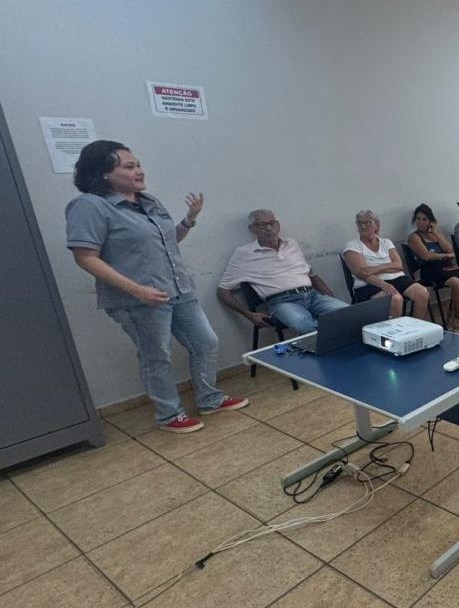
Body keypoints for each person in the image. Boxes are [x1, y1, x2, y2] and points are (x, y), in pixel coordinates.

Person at [66, 140, 247, 434]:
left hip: (178, 290)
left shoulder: (147, 201)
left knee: (205, 342)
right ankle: (168, 415)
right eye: (129, 166)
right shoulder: (89, 206)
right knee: (156, 356)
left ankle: (209, 399)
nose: (139, 171)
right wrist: (137, 290)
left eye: (138, 165)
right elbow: (85, 257)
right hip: (138, 300)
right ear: (104, 174)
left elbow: (168, 241)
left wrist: (189, 220)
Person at [217, 210, 349, 334]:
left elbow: (310, 273)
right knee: (305, 326)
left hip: (312, 296)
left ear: (278, 225)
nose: (269, 228)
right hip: (282, 303)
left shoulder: (291, 243)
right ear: (252, 229)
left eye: (272, 223)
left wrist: (328, 295)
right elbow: (223, 291)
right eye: (262, 225)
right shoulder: (244, 254)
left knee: (348, 314)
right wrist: (249, 315)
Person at [342, 210, 429, 319]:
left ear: (376, 225)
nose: (363, 226)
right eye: (359, 223)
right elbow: (362, 273)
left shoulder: (386, 242)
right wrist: (383, 283)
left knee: (422, 293)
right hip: (368, 284)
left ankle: (415, 329)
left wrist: (375, 268)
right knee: (395, 299)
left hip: (397, 278)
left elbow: (398, 265)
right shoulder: (352, 246)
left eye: (367, 222)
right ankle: (395, 335)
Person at [405, 204, 459, 329]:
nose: (421, 222)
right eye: (418, 219)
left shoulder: (435, 233)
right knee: (457, 283)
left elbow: (449, 248)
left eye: (424, 219)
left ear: (430, 221)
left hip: (446, 266)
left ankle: (453, 313)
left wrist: (436, 234)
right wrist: (446, 255)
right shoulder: (413, 237)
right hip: (430, 269)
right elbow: (427, 256)